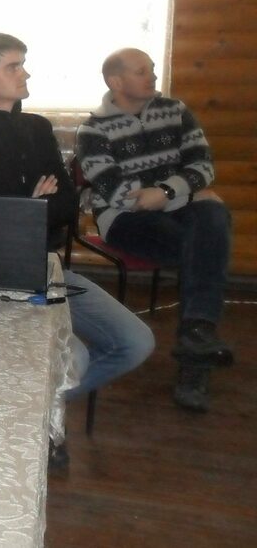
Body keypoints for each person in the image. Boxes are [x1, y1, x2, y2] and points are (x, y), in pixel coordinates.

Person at [0, 34, 154, 463]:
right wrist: (30, 204)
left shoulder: (36, 128)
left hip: (45, 268)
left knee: (136, 341)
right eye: (13, 66)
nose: (25, 73)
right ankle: (43, 421)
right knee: (77, 357)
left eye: (23, 64)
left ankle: (35, 412)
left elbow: (67, 205)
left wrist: (23, 208)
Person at [77, 48, 233, 412]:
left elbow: (204, 166)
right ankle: (196, 348)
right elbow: (119, 193)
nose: (153, 77)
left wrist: (164, 192)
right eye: (142, 71)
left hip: (175, 208)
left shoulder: (175, 111)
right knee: (205, 244)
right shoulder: (93, 129)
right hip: (124, 220)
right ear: (116, 82)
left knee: (212, 218)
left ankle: (196, 338)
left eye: (151, 69)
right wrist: (183, 192)